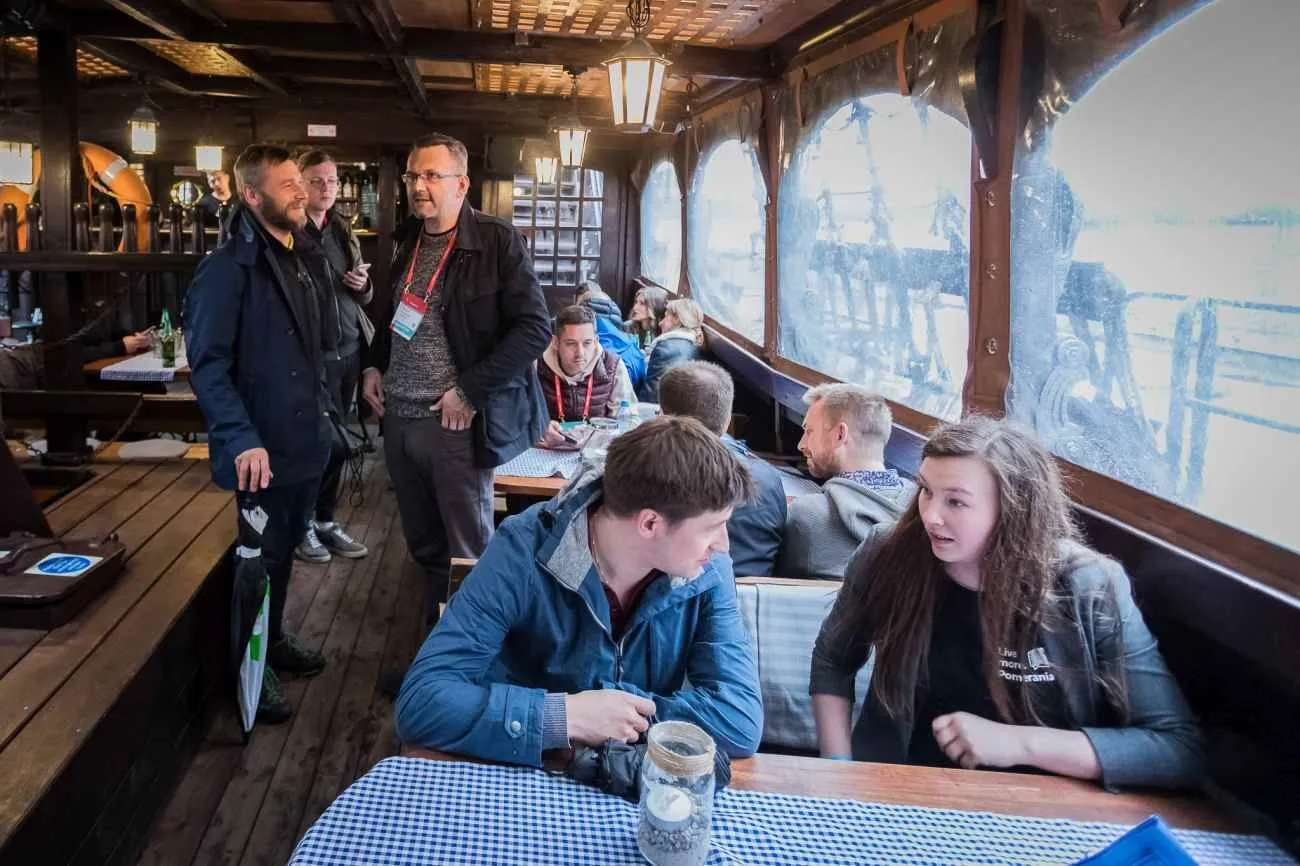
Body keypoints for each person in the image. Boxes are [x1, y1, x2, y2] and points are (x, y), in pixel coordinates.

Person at [809, 417, 1207, 790]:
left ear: (1014, 509)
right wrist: (839, 771)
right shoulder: (887, 553)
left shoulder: (1089, 585)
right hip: (904, 786)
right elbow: (832, 661)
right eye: (927, 491)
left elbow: (1178, 748)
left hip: (1047, 804)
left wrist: (1018, 743)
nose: (930, 516)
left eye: (956, 502)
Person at [395, 416, 763, 766]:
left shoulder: (708, 571)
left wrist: (619, 714)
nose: (724, 545)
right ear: (650, 523)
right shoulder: (522, 551)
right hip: (520, 775)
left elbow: (739, 720)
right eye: (713, 527)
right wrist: (564, 715)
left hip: (624, 782)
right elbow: (422, 702)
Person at [361, 132, 550, 627]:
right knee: (424, 547)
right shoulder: (407, 238)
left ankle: (472, 657)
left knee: (468, 551)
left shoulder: (495, 240)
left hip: (452, 424)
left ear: (462, 183)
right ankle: (437, 642)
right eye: (412, 175)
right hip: (397, 419)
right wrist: (373, 365)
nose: (417, 186)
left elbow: (535, 329)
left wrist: (468, 391)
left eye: (431, 175)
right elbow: (393, 317)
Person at [186, 144, 335, 724]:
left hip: (303, 441)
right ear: (251, 194)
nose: (301, 192)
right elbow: (208, 366)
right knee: (257, 558)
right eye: (288, 184)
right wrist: (240, 437)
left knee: (284, 551)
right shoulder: (227, 269)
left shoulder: (300, 255)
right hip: (259, 449)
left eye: (301, 181)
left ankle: (271, 641)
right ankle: (250, 665)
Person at [293, 149, 373, 564]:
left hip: (348, 348)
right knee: (314, 443)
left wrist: (363, 286)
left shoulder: (342, 229)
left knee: (338, 442)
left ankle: (325, 519)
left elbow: (364, 294)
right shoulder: (290, 232)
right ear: (299, 183)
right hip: (311, 355)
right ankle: (301, 524)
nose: (326, 188)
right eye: (317, 181)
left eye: (331, 181)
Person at [658, 361, 785, 576]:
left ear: (663, 416)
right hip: (758, 590)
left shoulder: (650, 472)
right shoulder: (768, 478)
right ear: (728, 421)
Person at [779, 384, 915, 579]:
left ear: (840, 435)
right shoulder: (923, 511)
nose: (801, 444)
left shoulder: (807, 515)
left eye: (809, 431)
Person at [536, 305, 635, 449]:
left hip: (597, 451)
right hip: (546, 451)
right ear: (556, 343)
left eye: (587, 343)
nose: (580, 353)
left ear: (596, 341)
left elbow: (629, 421)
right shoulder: (536, 366)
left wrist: (600, 437)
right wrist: (539, 428)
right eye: (571, 344)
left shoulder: (613, 366)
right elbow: (518, 418)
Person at [636, 297, 703, 401]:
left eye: (665, 317)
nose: (660, 323)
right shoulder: (692, 344)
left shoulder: (666, 350)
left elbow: (651, 396)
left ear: (677, 319)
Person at [625, 284, 668, 351]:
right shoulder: (628, 327)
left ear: (654, 307)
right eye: (636, 302)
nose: (635, 307)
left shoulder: (663, 332)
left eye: (642, 303)